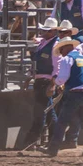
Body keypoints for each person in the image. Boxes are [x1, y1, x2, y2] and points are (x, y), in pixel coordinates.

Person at [46, 36, 83, 156]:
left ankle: (53, 149)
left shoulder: (67, 59)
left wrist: (56, 81)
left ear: (66, 48)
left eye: (61, 50)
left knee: (62, 121)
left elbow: (63, 78)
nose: (61, 53)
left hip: (74, 93)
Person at [24, 17, 59, 149]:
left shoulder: (54, 45)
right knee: (48, 112)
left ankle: (33, 141)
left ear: (54, 31)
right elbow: (35, 64)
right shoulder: (43, 43)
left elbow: (57, 66)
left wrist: (53, 83)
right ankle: (53, 141)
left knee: (41, 111)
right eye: (44, 30)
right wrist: (29, 77)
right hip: (41, 80)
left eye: (47, 31)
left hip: (46, 81)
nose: (44, 33)